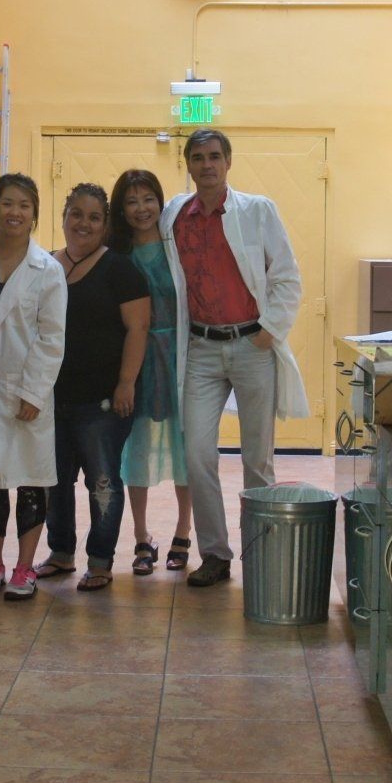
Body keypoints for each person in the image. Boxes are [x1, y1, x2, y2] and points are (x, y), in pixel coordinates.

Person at [161, 129, 309, 587]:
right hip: (201, 349)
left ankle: (262, 555)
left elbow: (286, 277)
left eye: (214, 156)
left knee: (257, 459)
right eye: (198, 157)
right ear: (188, 164)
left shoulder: (257, 210)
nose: (206, 165)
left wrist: (268, 332)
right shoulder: (175, 216)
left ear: (228, 161)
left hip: (251, 345)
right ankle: (215, 554)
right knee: (197, 453)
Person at [36, 183, 150, 591]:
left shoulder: (120, 269)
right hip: (52, 398)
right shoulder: (45, 265)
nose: (83, 224)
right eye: (76, 214)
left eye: (94, 217)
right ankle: (60, 553)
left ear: (105, 225)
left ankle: (100, 561)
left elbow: (138, 328)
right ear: (64, 216)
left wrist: (126, 383)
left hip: (103, 401)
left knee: (102, 482)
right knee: (54, 480)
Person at [0, 174, 67, 600]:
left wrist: (33, 393)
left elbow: (52, 337)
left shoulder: (48, 270)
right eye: (7, 203)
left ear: (34, 214)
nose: (15, 212)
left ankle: (24, 568)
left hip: (28, 391)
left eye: (24, 205)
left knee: (30, 479)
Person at [109, 168, 192, 575]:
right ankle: (141, 536)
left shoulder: (178, 246)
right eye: (131, 201)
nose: (141, 208)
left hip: (180, 356)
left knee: (187, 447)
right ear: (120, 209)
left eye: (148, 199)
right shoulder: (117, 255)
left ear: (160, 202)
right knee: (136, 448)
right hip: (136, 360)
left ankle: (183, 532)